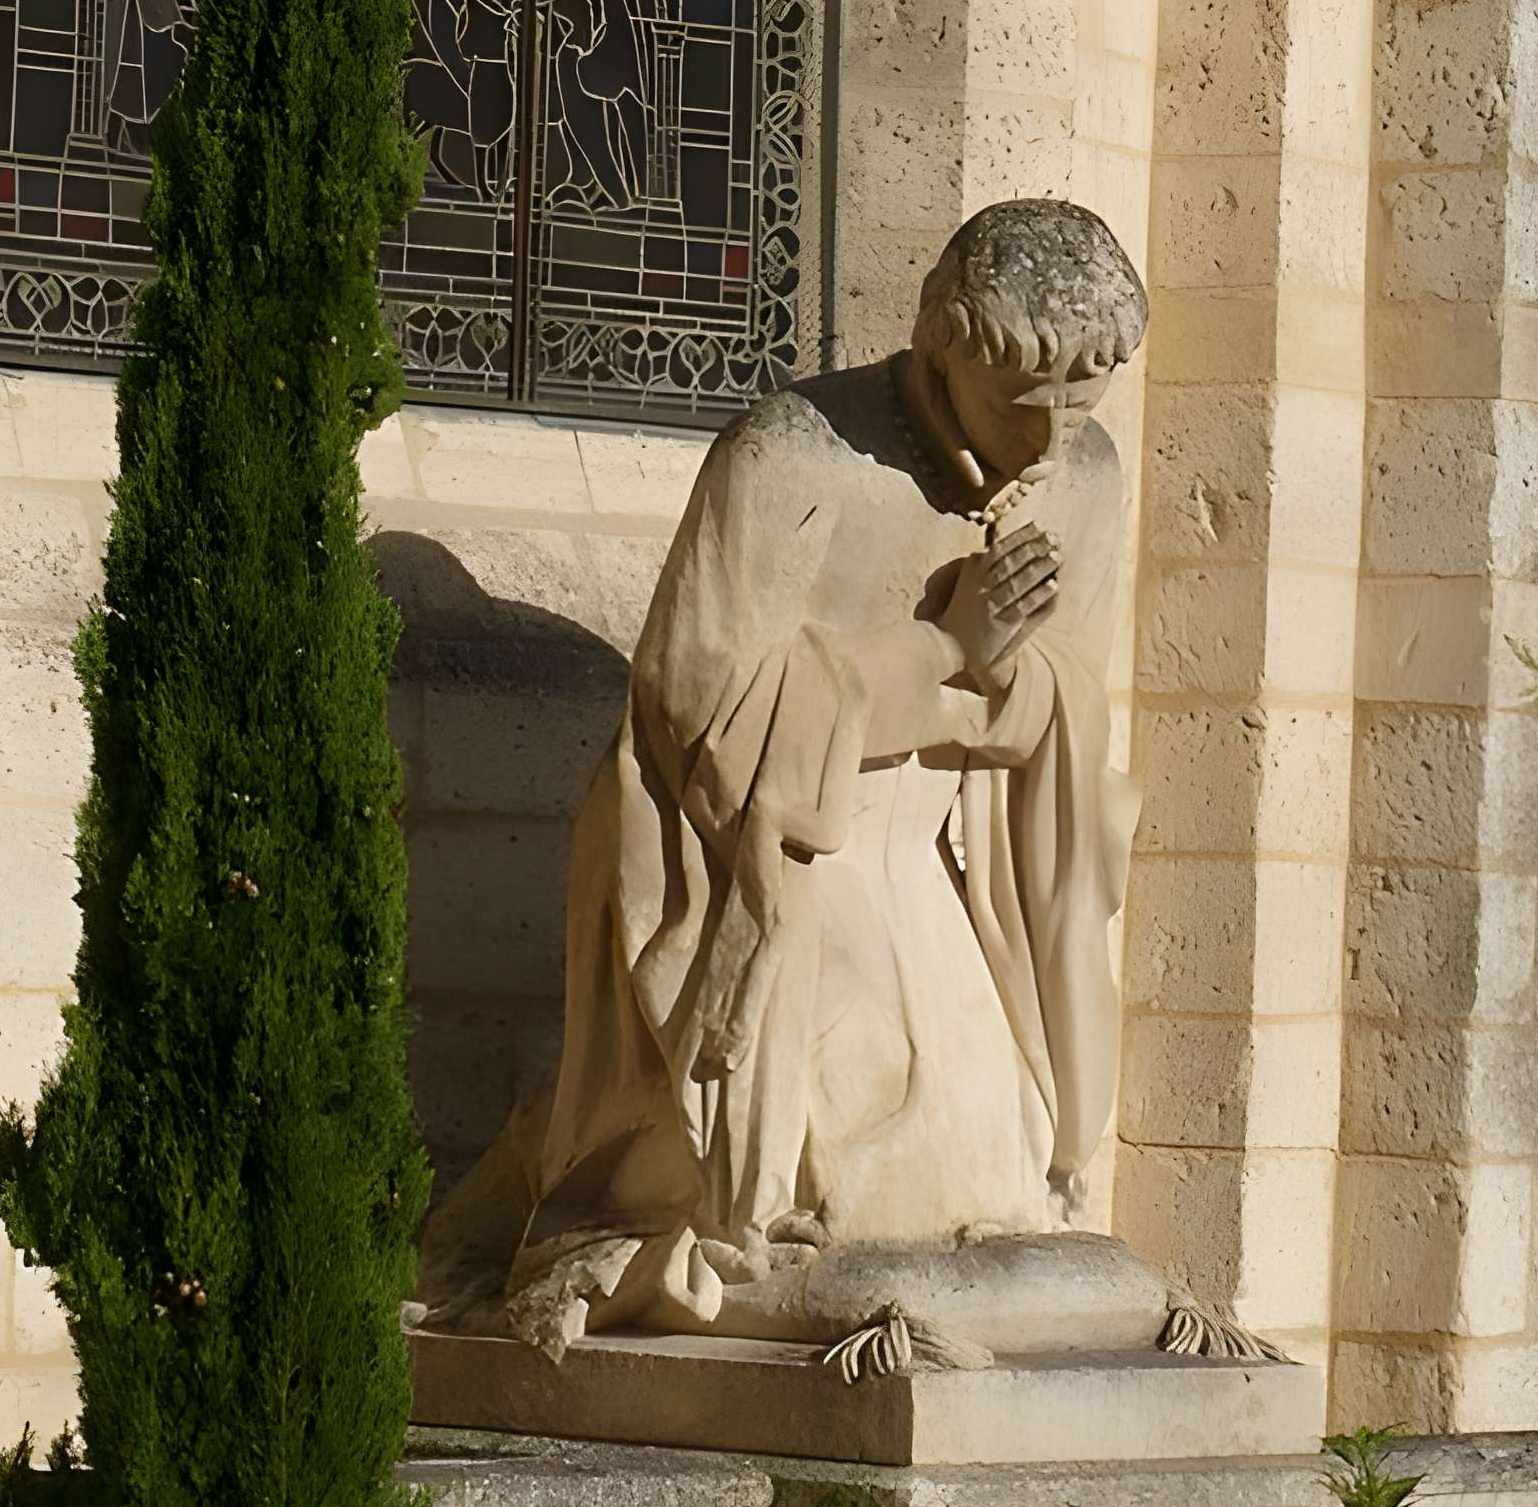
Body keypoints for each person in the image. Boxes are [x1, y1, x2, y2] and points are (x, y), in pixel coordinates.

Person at [419, 197, 1148, 1354]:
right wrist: (940, 651)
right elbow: (690, 701)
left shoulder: (1086, 478)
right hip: (766, 859)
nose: (1050, 444)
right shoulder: (793, 455)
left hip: (943, 860)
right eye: (1023, 408)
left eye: (1080, 408)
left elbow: (1067, 709)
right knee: (841, 1188)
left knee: (991, 1177)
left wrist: (1009, 680)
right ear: (938, 350)